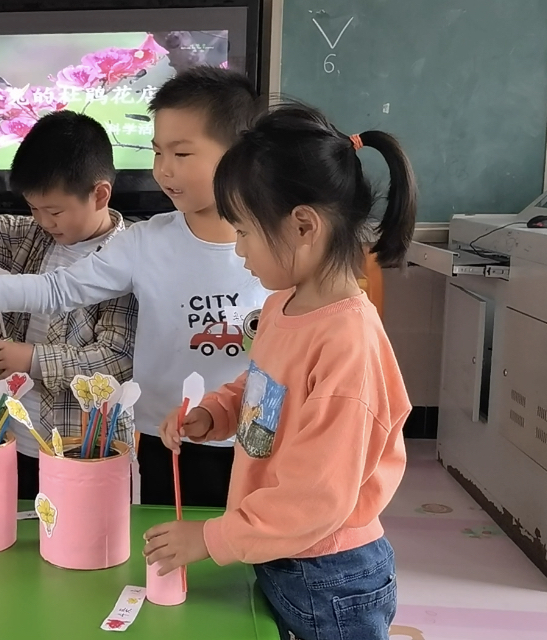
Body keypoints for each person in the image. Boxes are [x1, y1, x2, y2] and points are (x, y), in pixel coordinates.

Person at [0, 67, 269, 506]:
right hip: (161, 433)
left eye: (181, 153)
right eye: (157, 152)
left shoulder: (271, 244)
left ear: (240, 155)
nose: (164, 170)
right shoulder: (143, 243)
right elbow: (57, 289)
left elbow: (118, 356)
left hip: (245, 431)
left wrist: (30, 353)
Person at [143, 103, 415, 640]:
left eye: (244, 231)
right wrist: (215, 413)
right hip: (281, 551)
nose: (238, 249)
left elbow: (317, 498)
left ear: (303, 225)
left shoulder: (347, 344)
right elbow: (263, 387)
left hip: (331, 575)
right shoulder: (281, 306)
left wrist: (211, 539)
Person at [0, 110, 138, 500]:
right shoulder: (36, 236)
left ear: (100, 195)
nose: (44, 221)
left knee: (76, 530)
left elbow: (116, 359)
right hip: (10, 433)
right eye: (33, 209)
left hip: (82, 445)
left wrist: (31, 358)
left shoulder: (128, 259)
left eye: (55, 211)